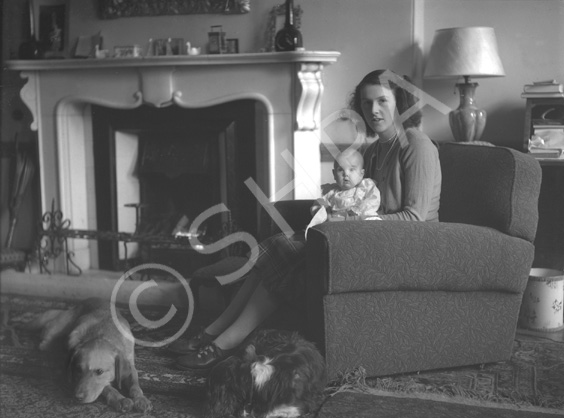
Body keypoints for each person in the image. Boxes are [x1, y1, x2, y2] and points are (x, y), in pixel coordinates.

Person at [171, 69, 442, 370]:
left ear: (399, 101)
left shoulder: (416, 145)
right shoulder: (376, 148)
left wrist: (350, 224)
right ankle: (214, 333)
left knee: (289, 252)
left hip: (410, 247)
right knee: (278, 247)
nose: (374, 110)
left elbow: (414, 218)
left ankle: (222, 343)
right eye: (366, 103)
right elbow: (360, 198)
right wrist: (327, 209)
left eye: (382, 101)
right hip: (368, 238)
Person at [307, 148, 380, 233]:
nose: (346, 174)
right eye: (340, 170)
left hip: (358, 223)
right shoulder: (331, 192)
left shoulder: (365, 186)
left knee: (373, 220)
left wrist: (357, 211)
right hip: (335, 225)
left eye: (352, 169)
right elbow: (318, 202)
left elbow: (373, 200)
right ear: (334, 174)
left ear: (361, 174)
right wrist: (324, 209)